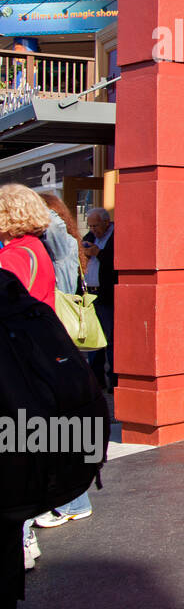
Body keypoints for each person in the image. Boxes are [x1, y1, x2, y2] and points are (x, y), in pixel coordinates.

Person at [0, 183, 60, 572]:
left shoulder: (14, 256)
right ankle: (27, 536)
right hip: (38, 362)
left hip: (17, 362)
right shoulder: (37, 249)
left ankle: (20, 540)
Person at [33, 190, 96, 529]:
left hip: (59, 340)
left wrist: (35, 207)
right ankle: (69, 499)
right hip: (55, 341)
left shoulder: (60, 245)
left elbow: (56, 228)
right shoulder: (59, 247)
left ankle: (73, 500)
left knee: (61, 420)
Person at [83, 207, 116, 389]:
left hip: (107, 294)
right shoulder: (90, 236)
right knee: (93, 339)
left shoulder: (115, 236)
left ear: (106, 222)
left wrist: (99, 254)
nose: (93, 229)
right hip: (91, 293)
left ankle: (113, 380)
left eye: (96, 225)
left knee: (110, 338)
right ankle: (96, 380)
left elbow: (117, 261)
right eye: (90, 225)